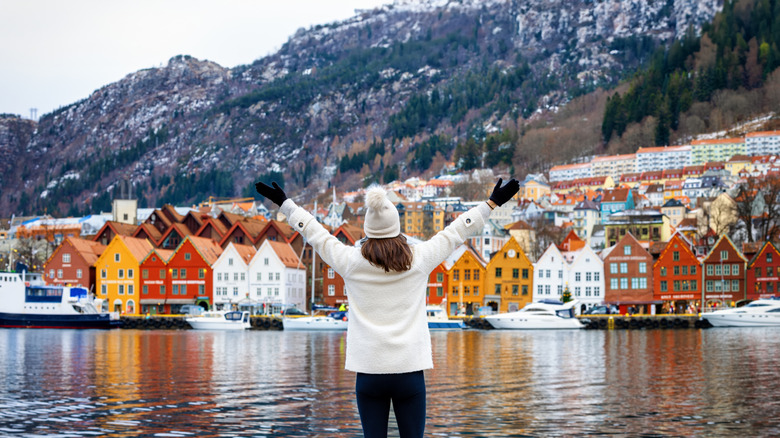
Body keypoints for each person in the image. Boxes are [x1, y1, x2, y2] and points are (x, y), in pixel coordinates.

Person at [256, 177, 519, 438]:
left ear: (368, 229)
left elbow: (315, 233)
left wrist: (286, 204)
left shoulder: (350, 261)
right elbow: (456, 231)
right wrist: (491, 203)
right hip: (409, 372)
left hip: (370, 373)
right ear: (397, 226)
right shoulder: (420, 258)